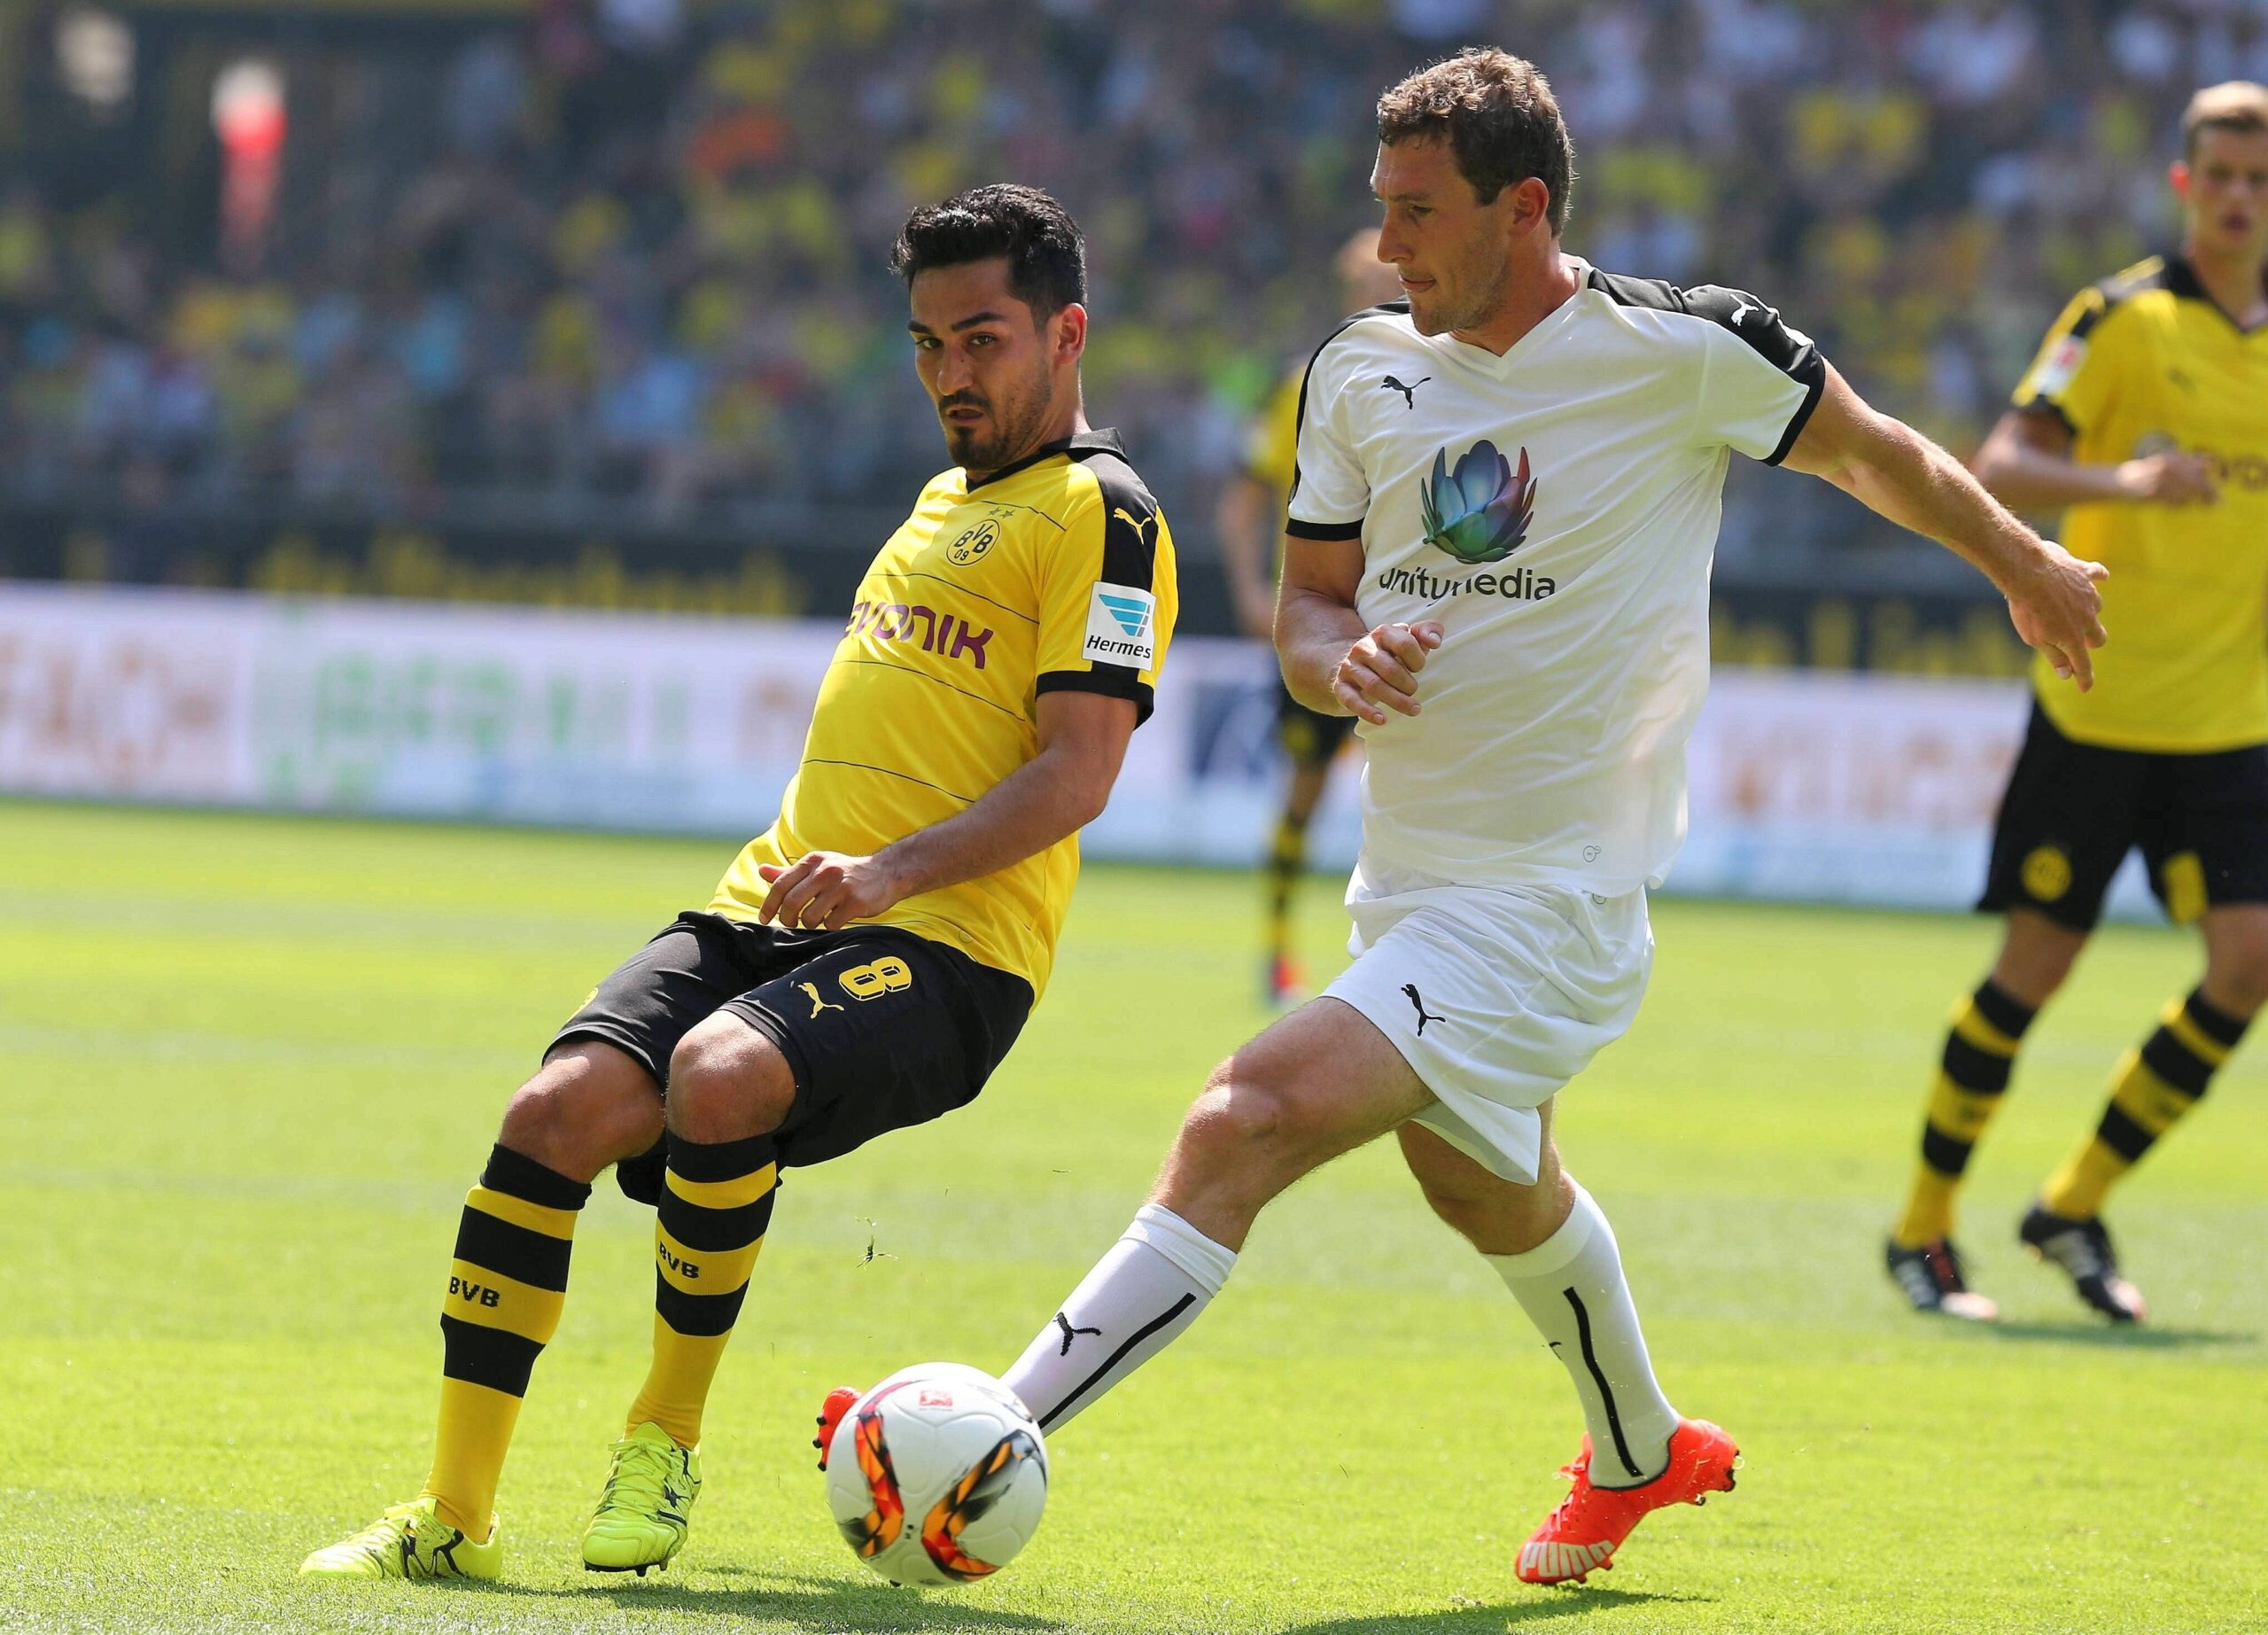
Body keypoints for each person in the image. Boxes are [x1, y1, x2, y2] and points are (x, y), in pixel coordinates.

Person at [825, 46, 2106, 1587]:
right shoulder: (1359, 371)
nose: (1391, 245)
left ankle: (980, 1448)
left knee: (1250, 1114)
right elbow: (1305, 612)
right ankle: (1642, 1450)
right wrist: (1336, 659)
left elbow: (1876, 455)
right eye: (1383, 210)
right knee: (1479, 1183)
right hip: (1414, 881)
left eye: (1420, 214)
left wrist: (2025, 561)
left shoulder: (1687, 349)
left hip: (1560, 892)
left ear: (1526, 208)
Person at [300, 183, 1178, 1582]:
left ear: (1069, 333)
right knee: (552, 1112)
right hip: (773, 902)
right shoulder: (941, 497)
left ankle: (664, 1435)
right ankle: (454, 1516)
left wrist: (888, 871)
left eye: (984, 339)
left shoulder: (1106, 515)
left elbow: (1080, 771)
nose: (951, 373)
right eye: (927, 344)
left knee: (719, 1074)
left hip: (951, 950)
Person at [1884, 82, 2268, 1326]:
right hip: (2099, 710)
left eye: (2259, 179)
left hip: (2231, 724)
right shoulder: (2118, 318)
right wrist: (2130, 482)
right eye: (2219, 174)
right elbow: (2000, 464)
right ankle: (1923, 1229)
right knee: (2035, 969)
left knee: (2249, 963)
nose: (2239, 197)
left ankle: (2072, 1201)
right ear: (2183, 184)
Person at [1220, 230, 1409, 1004]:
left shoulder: (1449, 375)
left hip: (1411, 618)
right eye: (1364, 279)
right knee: (1304, 790)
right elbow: (1246, 496)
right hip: (1325, 622)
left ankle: (1408, 958)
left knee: (1418, 793)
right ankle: (1276, 948)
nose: (1376, 289)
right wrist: (1248, 589)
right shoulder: (1303, 383)